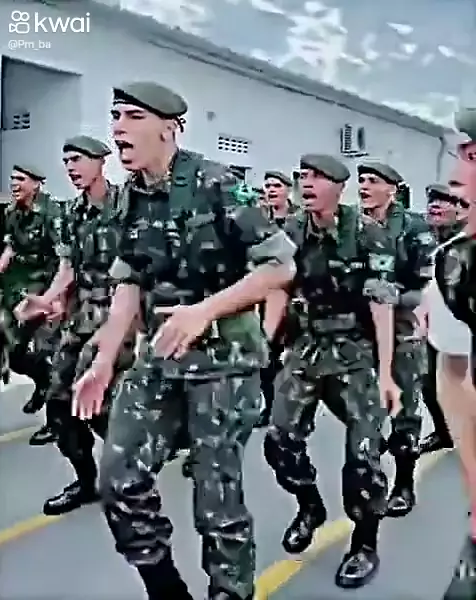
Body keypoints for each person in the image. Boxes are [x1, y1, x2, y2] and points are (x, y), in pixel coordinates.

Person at [71, 81, 296, 600]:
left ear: (169, 130)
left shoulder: (218, 184)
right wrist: (104, 360)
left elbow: (280, 264)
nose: (118, 128)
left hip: (223, 361)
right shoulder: (129, 196)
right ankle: (166, 589)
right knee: (118, 480)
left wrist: (204, 311)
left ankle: (230, 591)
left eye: (132, 117)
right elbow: (129, 280)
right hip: (160, 357)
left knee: (216, 502)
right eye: (115, 116)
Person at [264, 154, 401, 589]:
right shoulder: (289, 231)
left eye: (318, 178)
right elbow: (277, 288)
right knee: (280, 440)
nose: (307, 184)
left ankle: (364, 542)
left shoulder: (368, 233)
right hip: (306, 347)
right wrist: (266, 345)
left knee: (364, 456)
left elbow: (381, 305)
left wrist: (386, 373)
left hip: (354, 352)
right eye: (303, 176)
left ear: (339, 188)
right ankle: (310, 505)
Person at [17, 136, 135, 515]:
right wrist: (47, 299)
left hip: (123, 320)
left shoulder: (128, 206)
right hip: (83, 318)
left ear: (101, 161)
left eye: (78, 159)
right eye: (66, 161)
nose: (71, 167)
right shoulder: (73, 213)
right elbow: (67, 268)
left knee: (104, 408)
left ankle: (132, 476)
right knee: (58, 405)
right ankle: (87, 482)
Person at [357, 162, 437, 517]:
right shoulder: (351, 225)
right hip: (361, 328)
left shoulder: (414, 228)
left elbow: (425, 289)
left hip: (402, 326)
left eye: (372, 181)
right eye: (361, 180)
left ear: (392, 189)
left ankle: (404, 483)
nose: (364, 186)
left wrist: (388, 296)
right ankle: (367, 480)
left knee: (404, 409)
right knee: (363, 409)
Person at [430, 107, 476, 599]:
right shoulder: (454, 264)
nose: (458, 170)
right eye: (462, 154)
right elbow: (453, 375)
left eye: (475, 157)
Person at [0, 164, 62, 445]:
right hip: (18, 286)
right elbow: (11, 245)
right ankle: (43, 381)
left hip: (45, 289)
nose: (14, 184)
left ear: (36, 184)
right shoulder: (12, 212)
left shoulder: (51, 213)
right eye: (12, 179)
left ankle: (56, 423)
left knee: (52, 355)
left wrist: (55, 300)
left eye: (21, 179)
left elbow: (64, 259)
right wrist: (1, 264)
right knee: (14, 352)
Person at [419, 183, 463, 454]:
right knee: (428, 386)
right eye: (432, 201)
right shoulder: (421, 242)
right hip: (433, 328)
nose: (435, 205)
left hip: (463, 329)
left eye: (444, 201)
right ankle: (444, 433)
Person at [256, 170, 294, 427]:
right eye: (268, 186)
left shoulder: (298, 220)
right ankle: (270, 407)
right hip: (264, 297)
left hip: (292, 299)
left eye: (276, 186)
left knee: (291, 360)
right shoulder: (261, 220)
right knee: (267, 357)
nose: (271, 191)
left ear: (288, 190)